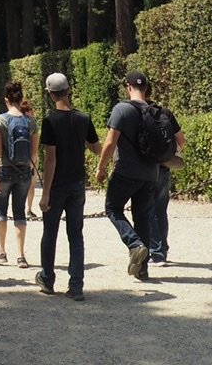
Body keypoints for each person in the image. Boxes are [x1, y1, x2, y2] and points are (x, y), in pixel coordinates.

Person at [35, 72, 102, 301]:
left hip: (57, 185)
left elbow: (50, 159)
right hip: (77, 183)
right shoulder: (84, 118)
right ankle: (76, 285)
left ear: (50, 94)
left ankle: (47, 278)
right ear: (68, 90)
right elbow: (96, 148)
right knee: (75, 235)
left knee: (50, 233)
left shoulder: (50, 121)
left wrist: (45, 193)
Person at [94, 70, 161, 282]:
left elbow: (110, 142)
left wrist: (101, 168)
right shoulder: (155, 111)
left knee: (113, 208)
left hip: (126, 171)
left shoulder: (121, 109)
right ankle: (143, 269)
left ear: (128, 87)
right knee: (143, 218)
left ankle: (134, 243)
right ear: (146, 88)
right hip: (151, 173)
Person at [0, 80, 39, 269]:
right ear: (21, 98)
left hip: (5, 170)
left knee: (1, 210)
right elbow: (34, 152)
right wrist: (30, 169)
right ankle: (21, 256)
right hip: (24, 172)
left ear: (6, 100)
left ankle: (1, 252)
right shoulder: (30, 121)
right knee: (19, 211)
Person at [144, 80, 186, 266]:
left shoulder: (136, 112)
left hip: (145, 168)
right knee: (161, 211)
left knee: (148, 210)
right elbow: (181, 140)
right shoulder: (165, 113)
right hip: (165, 168)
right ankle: (162, 249)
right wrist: (169, 156)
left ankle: (157, 253)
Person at [21, 98, 40, 218]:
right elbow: (35, 146)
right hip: (30, 158)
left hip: (16, 158)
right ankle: (29, 208)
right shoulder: (32, 122)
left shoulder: (12, 119)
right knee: (31, 185)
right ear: (28, 110)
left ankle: (19, 208)